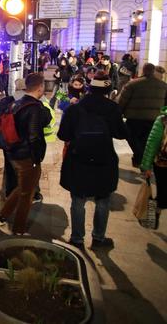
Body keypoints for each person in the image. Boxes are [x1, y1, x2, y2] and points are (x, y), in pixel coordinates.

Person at [58, 73, 128, 249]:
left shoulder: (76, 108)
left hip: (78, 159)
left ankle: (77, 239)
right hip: (104, 159)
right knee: (103, 199)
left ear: (89, 87)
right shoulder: (112, 108)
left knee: (78, 200)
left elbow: (63, 134)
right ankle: (98, 238)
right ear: (107, 89)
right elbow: (121, 133)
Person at [0, 73, 51, 235]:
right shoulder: (34, 107)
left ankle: (1, 218)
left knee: (23, 187)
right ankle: (18, 230)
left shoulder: (16, 104)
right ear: (40, 88)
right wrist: (36, 158)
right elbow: (34, 135)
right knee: (27, 194)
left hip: (14, 152)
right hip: (27, 157)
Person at [118, 63, 167, 167]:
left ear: (142, 71)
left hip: (134, 117)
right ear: (153, 71)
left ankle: (138, 158)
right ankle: (142, 160)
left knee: (132, 137)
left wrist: (119, 113)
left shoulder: (132, 84)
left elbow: (122, 101)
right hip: (154, 118)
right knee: (146, 140)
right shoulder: (163, 86)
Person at [140, 106, 167, 210]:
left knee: (163, 193)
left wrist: (146, 166)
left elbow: (152, 144)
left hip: (162, 164)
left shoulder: (162, 119)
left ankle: (156, 211)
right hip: (162, 164)